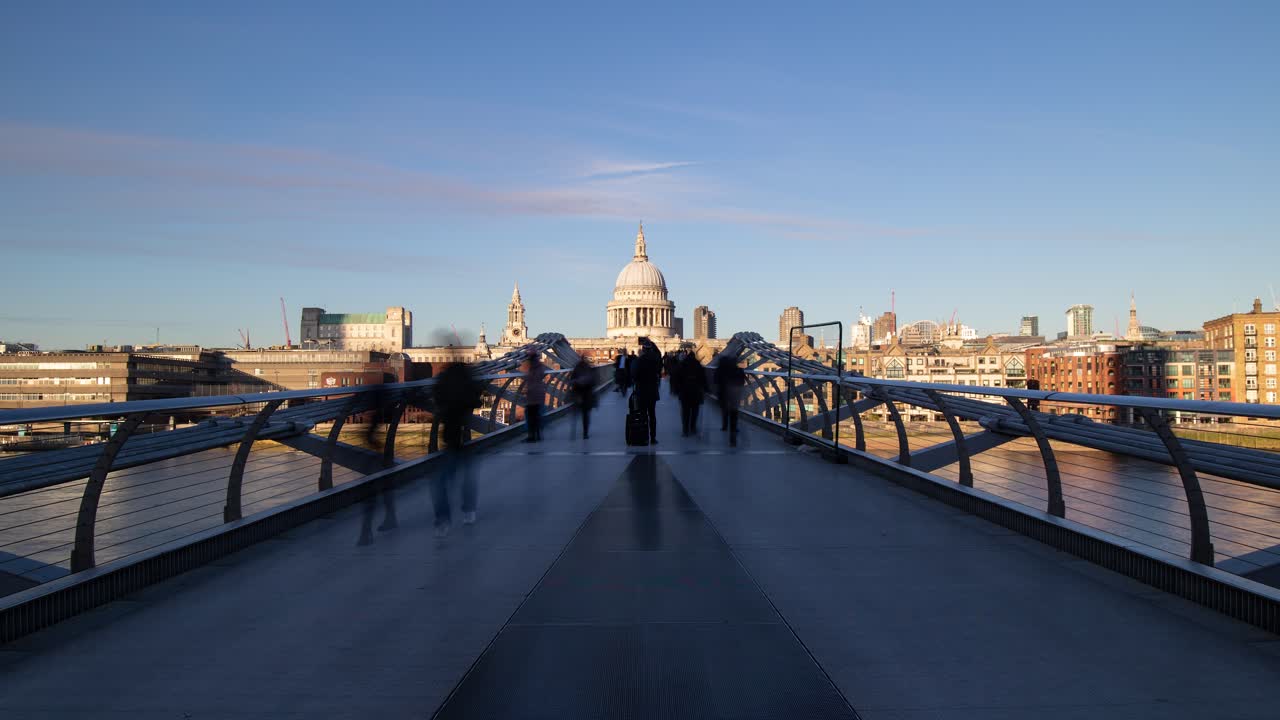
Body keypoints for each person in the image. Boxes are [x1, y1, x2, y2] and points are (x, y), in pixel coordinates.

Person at [431, 361, 483, 537]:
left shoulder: (443, 382)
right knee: (467, 477)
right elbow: (477, 400)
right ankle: (468, 510)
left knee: (441, 481)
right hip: (463, 437)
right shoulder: (468, 383)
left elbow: (437, 397)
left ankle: (443, 519)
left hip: (448, 438)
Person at [357, 382, 398, 545]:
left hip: (372, 457)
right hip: (382, 454)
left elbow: (370, 437)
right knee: (384, 487)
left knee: (370, 493)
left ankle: (366, 533)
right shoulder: (382, 415)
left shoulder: (373, 421)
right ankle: (389, 518)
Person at [631, 338, 662, 444]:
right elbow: (660, 365)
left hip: (641, 391)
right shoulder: (655, 360)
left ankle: (644, 437)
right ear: (651, 349)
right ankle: (653, 438)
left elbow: (634, 375)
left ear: (643, 349)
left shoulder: (638, 361)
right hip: (652, 390)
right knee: (652, 415)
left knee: (643, 414)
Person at [714, 356, 747, 446]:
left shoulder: (720, 370)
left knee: (725, 410)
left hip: (724, 394)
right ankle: (733, 434)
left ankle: (725, 425)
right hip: (735, 394)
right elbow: (742, 381)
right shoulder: (739, 370)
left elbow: (716, 381)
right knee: (734, 413)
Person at [677, 351, 708, 437]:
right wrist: (706, 389)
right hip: (696, 391)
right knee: (695, 411)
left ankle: (685, 430)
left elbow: (678, 379)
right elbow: (703, 379)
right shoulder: (698, 366)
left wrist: (678, 390)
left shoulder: (682, 366)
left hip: (685, 392)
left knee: (685, 412)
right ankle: (693, 427)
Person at [571, 357, 596, 439]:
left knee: (577, 413)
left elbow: (572, 380)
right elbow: (593, 381)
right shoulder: (589, 368)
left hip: (578, 394)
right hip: (587, 394)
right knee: (585, 415)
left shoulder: (576, 368)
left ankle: (574, 432)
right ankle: (585, 433)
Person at [523, 350, 545, 442]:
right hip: (539, 393)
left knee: (529, 415)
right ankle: (538, 434)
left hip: (531, 394)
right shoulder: (541, 366)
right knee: (536, 415)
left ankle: (531, 436)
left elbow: (527, 376)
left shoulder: (529, 366)